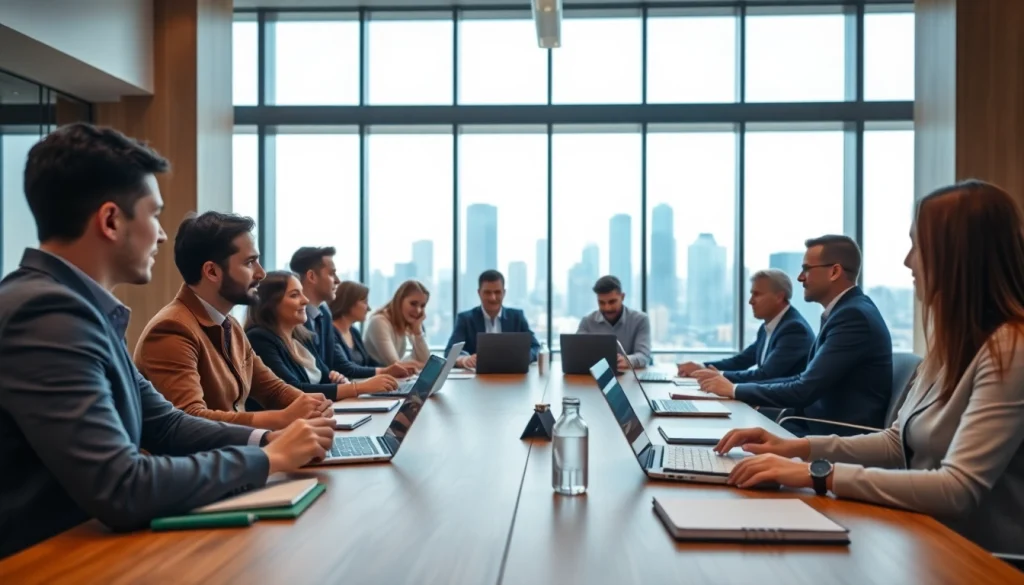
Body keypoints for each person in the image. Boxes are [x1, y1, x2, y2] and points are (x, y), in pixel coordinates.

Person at [0, 123, 331, 559]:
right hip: (47, 562)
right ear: (111, 220)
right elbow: (121, 485)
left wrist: (268, 443)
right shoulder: (46, 316)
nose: (160, 234)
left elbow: (168, 424)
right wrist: (267, 460)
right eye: (154, 214)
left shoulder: (81, 308)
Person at [716, 180, 1024, 557]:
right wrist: (796, 447)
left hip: (974, 558)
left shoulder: (1011, 349)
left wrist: (817, 473)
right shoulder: (952, 344)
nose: (908, 261)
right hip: (922, 534)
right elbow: (897, 442)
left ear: (958, 254)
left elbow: (958, 488)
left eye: (918, 245)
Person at [134, 212, 334, 429]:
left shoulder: (230, 325)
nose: (261, 273)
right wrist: (281, 419)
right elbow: (190, 420)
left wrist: (311, 404)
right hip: (203, 459)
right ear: (212, 271)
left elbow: (272, 389)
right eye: (250, 262)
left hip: (231, 453)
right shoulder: (171, 329)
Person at [698, 235, 892, 436]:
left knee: (727, 436)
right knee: (727, 430)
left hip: (831, 433)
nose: (800, 277)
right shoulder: (844, 312)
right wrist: (734, 387)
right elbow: (803, 379)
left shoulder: (853, 316)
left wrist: (734, 390)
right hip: (810, 421)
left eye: (807, 269)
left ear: (834, 271)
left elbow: (804, 389)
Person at [245, 271, 400, 400]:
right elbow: (293, 391)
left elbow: (326, 376)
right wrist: (358, 388)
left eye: (302, 294)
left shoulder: (304, 337)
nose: (305, 300)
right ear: (270, 304)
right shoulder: (259, 339)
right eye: (294, 295)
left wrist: (338, 382)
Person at [289, 247, 411, 381]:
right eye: (331, 274)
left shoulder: (324, 314)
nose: (337, 280)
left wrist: (384, 372)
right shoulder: (292, 318)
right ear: (312, 276)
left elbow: (337, 364)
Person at [678, 269, 814, 383]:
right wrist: (701, 367)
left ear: (779, 297)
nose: (750, 301)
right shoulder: (768, 327)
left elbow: (766, 375)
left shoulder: (794, 329)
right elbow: (741, 361)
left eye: (757, 294)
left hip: (781, 410)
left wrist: (716, 375)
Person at [445, 270, 541, 368]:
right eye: (487, 292)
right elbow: (450, 352)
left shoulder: (517, 317)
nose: (493, 298)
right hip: (477, 379)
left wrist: (523, 357)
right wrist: (464, 360)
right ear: (479, 293)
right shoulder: (465, 319)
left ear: (504, 293)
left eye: (497, 292)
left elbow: (536, 347)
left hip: (511, 376)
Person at [576, 275, 651, 370]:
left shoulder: (640, 320)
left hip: (629, 378)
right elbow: (577, 354)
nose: (607, 308)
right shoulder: (587, 322)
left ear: (622, 297)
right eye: (601, 303)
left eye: (612, 302)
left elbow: (644, 356)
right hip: (594, 378)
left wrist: (628, 360)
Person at [363, 280, 432, 366]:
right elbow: (395, 364)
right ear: (400, 300)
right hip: (373, 378)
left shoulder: (405, 324)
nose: (418, 310)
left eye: (422, 306)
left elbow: (425, 360)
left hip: (390, 378)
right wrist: (421, 365)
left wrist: (417, 331)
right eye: (413, 304)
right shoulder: (379, 322)